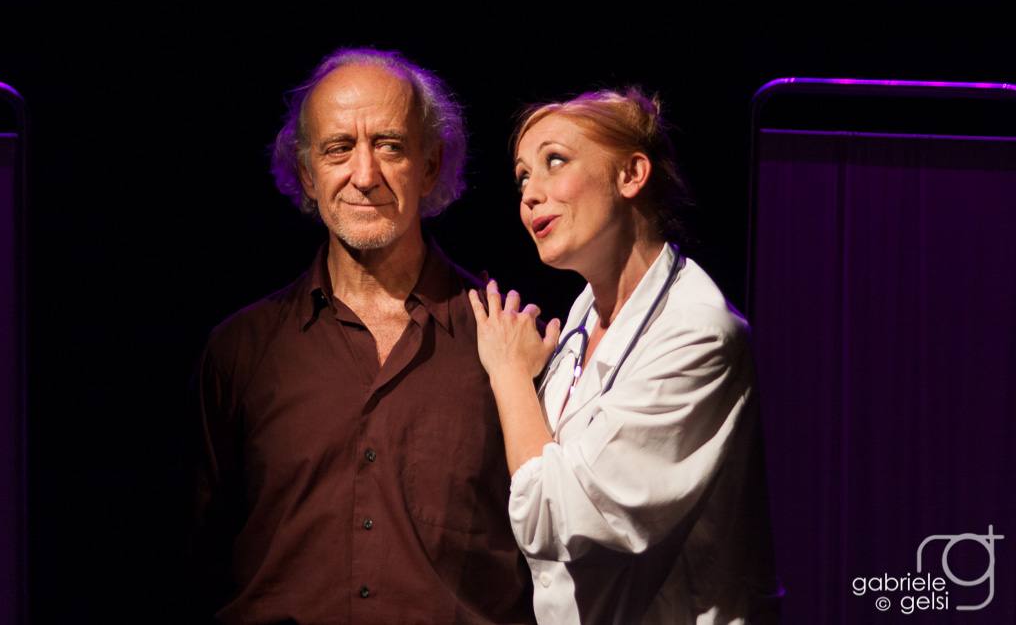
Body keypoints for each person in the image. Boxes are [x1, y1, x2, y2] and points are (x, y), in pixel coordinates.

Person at [191, 48, 534, 624]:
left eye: (390, 146)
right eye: (338, 148)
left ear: (430, 166)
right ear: (307, 173)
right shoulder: (239, 352)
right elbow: (199, 560)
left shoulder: (509, 337)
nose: (366, 175)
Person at [467, 88, 781, 624]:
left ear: (631, 174)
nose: (530, 195)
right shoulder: (586, 311)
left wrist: (510, 374)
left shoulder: (698, 333)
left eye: (554, 161)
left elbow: (554, 518)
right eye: (522, 178)